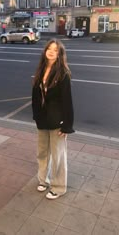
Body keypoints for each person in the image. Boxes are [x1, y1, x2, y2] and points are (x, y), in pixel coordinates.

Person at [32, 38, 74, 200]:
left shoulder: (63, 73)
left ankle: (59, 187)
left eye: (55, 50)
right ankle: (43, 180)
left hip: (58, 121)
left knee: (58, 156)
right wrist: (36, 115)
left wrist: (67, 125)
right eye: (49, 48)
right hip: (42, 120)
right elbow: (35, 96)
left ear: (60, 54)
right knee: (42, 153)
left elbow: (67, 100)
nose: (51, 51)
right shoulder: (41, 69)